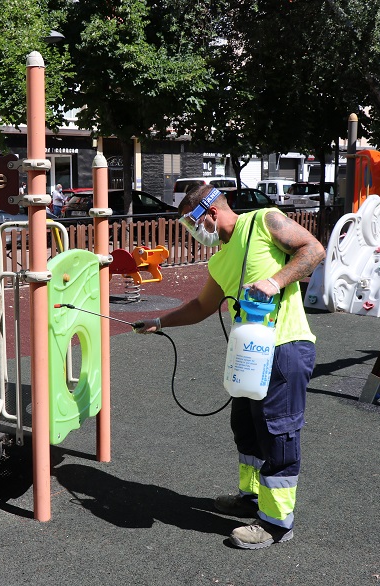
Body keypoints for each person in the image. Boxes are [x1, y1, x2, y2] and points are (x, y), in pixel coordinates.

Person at [135, 184, 324, 550]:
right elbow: (202, 306)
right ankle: (251, 498)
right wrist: (159, 321)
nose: (192, 233)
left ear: (210, 213)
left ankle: (275, 523)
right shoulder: (219, 259)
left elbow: (313, 249)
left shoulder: (263, 221)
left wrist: (276, 280)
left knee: (277, 434)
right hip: (249, 353)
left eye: (191, 224)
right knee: (247, 428)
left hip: (284, 347)